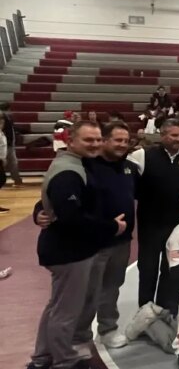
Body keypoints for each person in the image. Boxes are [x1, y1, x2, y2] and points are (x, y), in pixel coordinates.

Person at [24, 121, 126, 369]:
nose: (93, 144)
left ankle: (41, 360)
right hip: (69, 251)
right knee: (66, 310)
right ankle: (63, 365)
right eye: (87, 140)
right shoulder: (69, 170)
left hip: (72, 249)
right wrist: (111, 227)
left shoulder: (79, 165)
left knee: (57, 306)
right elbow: (71, 216)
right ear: (71, 140)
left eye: (96, 139)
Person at [71, 122, 137, 352]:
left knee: (112, 286)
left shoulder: (129, 167)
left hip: (123, 240)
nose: (122, 145)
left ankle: (108, 329)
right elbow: (62, 193)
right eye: (117, 140)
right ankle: (80, 337)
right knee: (89, 290)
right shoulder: (86, 166)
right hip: (96, 241)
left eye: (126, 141)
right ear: (105, 141)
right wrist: (40, 210)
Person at [129, 119, 179, 307]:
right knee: (148, 269)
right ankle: (145, 311)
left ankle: (164, 309)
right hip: (150, 225)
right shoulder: (142, 156)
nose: (178, 139)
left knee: (171, 269)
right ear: (162, 135)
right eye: (174, 135)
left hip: (177, 225)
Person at [0, 102, 23, 187]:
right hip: (6, 144)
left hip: (8, 143)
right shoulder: (4, 117)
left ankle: (17, 180)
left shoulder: (8, 118)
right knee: (11, 163)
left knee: (11, 163)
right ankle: (17, 180)